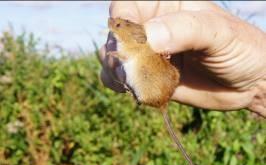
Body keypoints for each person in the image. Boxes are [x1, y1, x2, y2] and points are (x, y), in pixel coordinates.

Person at [99, 1, 266, 118]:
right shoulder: (133, 42)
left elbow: (130, 53)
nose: (112, 24)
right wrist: (258, 87)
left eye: (118, 25)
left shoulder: (138, 42)